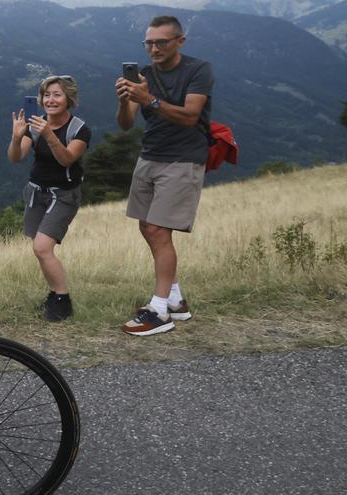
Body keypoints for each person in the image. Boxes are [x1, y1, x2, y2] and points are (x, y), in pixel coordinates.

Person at [115, 15, 214, 336]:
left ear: (179, 42)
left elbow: (190, 116)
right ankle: (175, 299)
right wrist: (125, 101)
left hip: (183, 158)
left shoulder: (198, 70)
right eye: (149, 43)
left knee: (159, 229)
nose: (154, 48)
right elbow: (126, 124)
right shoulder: (143, 75)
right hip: (150, 155)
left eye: (161, 42)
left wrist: (149, 100)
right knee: (147, 225)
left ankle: (159, 311)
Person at [7, 75, 91, 321]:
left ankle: (63, 301)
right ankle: (54, 295)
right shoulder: (35, 124)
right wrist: (16, 136)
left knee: (42, 247)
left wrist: (49, 135)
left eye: (57, 94)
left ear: (69, 99)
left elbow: (67, 159)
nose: (50, 100)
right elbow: (15, 157)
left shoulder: (79, 129)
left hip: (64, 195)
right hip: (37, 192)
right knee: (40, 249)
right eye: (47, 94)